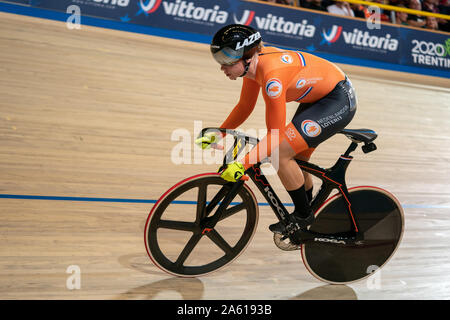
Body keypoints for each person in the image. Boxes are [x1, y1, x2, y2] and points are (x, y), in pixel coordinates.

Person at [196, 25, 357, 241]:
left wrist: (242, 164)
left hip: (337, 100)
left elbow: (274, 135)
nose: (223, 67)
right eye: (220, 59)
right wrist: (221, 133)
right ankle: (308, 207)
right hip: (318, 97)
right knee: (295, 158)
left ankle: (303, 216)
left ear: (248, 57)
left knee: (279, 153)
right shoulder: (253, 66)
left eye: (227, 60)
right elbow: (245, 106)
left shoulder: (272, 78)